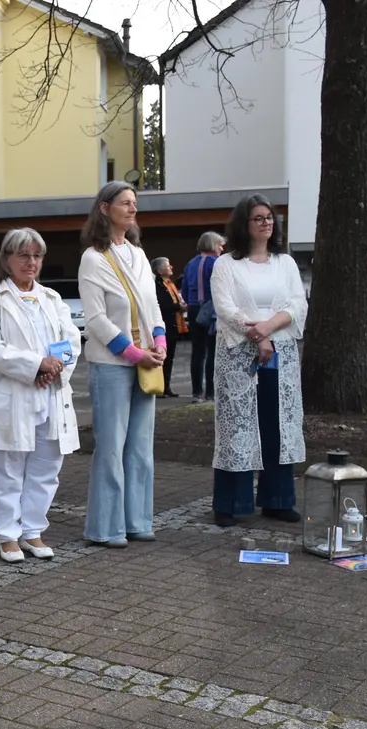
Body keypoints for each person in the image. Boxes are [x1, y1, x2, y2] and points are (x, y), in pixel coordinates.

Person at [0, 228, 82, 562]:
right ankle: (7, 534)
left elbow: (72, 341)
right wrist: (36, 366)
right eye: (23, 255)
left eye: (36, 256)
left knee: (47, 466)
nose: (30, 262)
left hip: (51, 394)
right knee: (8, 469)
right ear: (6, 260)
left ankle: (32, 530)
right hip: (10, 396)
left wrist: (55, 369)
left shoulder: (52, 299)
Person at [209, 194, 308, 527]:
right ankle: (231, 503)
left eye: (269, 218)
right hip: (239, 355)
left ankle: (278, 500)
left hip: (280, 353)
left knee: (276, 425)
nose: (266, 223)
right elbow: (225, 307)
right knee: (237, 427)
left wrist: (268, 327)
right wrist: (258, 334)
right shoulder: (226, 264)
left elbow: (297, 304)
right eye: (259, 218)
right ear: (244, 224)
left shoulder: (286, 263)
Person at [78, 180, 167, 549]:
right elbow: (96, 320)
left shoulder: (139, 255)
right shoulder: (92, 258)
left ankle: (137, 521)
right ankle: (105, 528)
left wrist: (159, 343)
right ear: (104, 208)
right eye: (125, 203)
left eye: (135, 204)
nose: (133, 209)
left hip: (146, 363)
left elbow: (153, 307)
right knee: (112, 448)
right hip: (112, 365)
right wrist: (133, 352)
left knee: (141, 447)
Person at [180, 231, 224, 402]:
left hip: (193, 310)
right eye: (220, 244)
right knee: (212, 352)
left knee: (197, 352)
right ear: (212, 244)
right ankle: (211, 393)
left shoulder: (190, 264)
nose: (222, 248)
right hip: (212, 311)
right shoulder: (217, 263)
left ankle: (197, 392)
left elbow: (184, 289)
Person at [153, 257, 187, 397]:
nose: (171, 267)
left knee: (170, 358)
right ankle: (159, 387)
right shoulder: (157, 285)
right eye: (168, 266)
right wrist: (178, 307)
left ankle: (166, 387)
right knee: (162, 358)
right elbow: (161, 305)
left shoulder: (169, 284)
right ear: (160, 270)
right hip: (164, 325)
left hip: (173, 325)